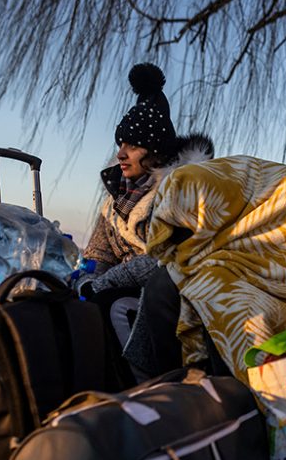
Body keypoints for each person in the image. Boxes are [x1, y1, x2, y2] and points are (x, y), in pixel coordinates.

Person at [74, 62, 215, 381]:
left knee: (112, 305)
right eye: (120, 145)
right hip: (123, 290)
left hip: (170, 294)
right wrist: (86, 278)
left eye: (132, 146)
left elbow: (167, 257)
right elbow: (100, 253)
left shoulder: (183, 189)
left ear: (155, 151)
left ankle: (149, 389)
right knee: (80, 305)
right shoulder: (116, 198)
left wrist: (104, 283)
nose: (121, 154)